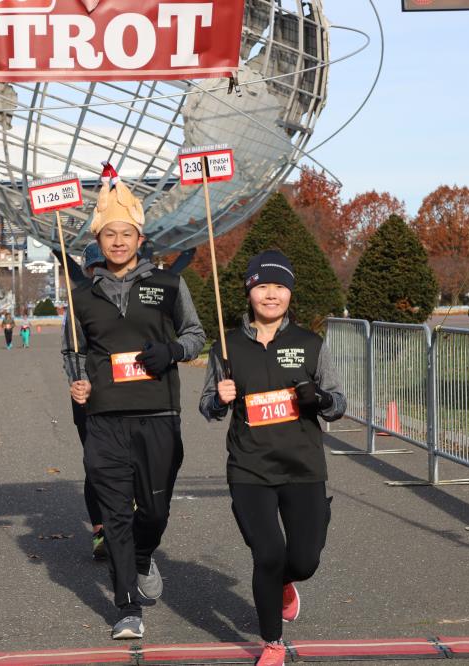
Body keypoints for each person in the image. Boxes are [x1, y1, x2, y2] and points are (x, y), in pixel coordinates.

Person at [63, 161, 205, 641]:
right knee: (116, 515)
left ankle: (143, 556)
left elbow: (195, 334)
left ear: (140, 238)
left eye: (126, 234)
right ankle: (126, 606)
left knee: (155, 512)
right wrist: (78, 383)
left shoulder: (168, 285)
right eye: (110, 234)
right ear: (99, 240)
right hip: (105, 418)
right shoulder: (82, 297)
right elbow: (72, 351)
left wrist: (174, 352)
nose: (118, 241)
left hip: (158, 414)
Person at [199, 249, 345, 666]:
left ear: (290, 293)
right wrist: (219, 399)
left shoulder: (310, 344)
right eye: (262, 286)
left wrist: (320, 399)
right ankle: (272, 644)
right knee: (267, 554)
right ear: (249, 291)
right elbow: (208, 406)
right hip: (250, 468)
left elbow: (338, 403)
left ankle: (284, 582)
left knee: (304, 560)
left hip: (303, 467)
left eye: (279, 286)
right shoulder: (227, 346)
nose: (271, 294)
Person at [68, 241, 109, 560]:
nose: (99, 273)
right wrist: (82, 383)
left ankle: (124, 520)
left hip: (126, 391)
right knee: (95, 462)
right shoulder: (78, 303)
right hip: (87, 393)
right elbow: (71, 352)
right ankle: (100, 531)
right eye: (95, 268)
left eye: (104, 267)